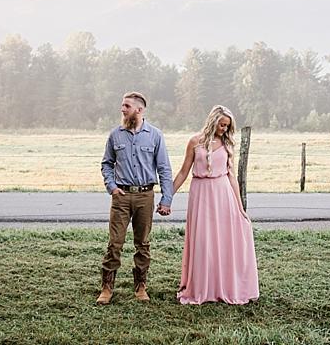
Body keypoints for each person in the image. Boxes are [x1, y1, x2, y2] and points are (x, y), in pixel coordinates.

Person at [172, 105, 259, 304]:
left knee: (223, 240)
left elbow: (232, 177)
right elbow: (184, 172)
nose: (224, 129)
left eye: (227, 126)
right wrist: (168, 195)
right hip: (201, 193)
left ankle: (226, 285)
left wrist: (240, 208)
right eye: (221, 125)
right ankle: (203, 286)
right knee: (203, 241)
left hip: (223, 194)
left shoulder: (227, 144)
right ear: (213, 121)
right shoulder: (195, 142)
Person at [97, 91, 174, 304]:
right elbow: (106, 164)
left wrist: (166, 199)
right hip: (121, 196)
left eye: (126, 106)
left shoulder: (155, 135)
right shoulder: (115, 135)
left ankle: (141, 286)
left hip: (145, 196)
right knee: (115, 243)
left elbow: (164, 169)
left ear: (139, 110)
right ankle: (106, 288)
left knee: (143, 243)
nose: (122, 109)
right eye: (122, 105)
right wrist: (111, 187)